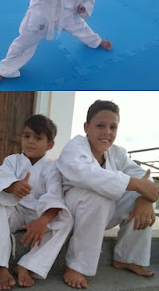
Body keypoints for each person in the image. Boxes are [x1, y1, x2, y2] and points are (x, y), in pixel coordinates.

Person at [57, 100, 159, 289]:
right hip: (72, 212)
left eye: (113, 127)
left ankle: (128, 257)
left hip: (102, 213)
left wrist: (145, 199)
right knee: (99, 194)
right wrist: (137, 185)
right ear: (86, 127)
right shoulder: (75, 147)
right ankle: (76, 265)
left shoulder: (117, 153)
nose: (107, 132)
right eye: (100, 126)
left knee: (141, 194)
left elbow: (144, 177)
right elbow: (88, 175)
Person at [0, 115, 73, 290]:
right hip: (13, 210)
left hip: (37, 215)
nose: (31, 141)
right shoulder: (12, 161)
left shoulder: (52, 168)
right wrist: (13, 186)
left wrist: (43, 220)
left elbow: (55, 197)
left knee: (65, 221)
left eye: (38, 138)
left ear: (50, 145)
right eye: (26, 136)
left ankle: (27, 265)